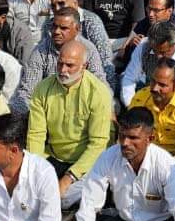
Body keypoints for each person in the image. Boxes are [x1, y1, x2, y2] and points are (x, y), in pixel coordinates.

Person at [25, 40, 113, 203]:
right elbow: (36, 136)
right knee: (29, 188)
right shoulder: (43, 89)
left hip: (84, 164)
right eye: (60, 64)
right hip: (51, 157)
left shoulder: (98, 92)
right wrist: (36, 171)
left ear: (84, 66)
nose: (63, 70)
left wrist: (67, 179)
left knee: (64, 197)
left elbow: (98, 144)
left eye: (69, 65)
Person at [127, 58, 175, 167]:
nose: (155, 88)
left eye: (162, 85)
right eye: (153, 81)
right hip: (145, 158)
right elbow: (128, 135)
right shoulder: (140, 98)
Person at [120, 20, 175, 105]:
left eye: (164, 52)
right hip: (151, 104)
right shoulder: (144, 47)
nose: (158, 56)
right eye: (155, 51)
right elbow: (129, 79)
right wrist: (132, 107)